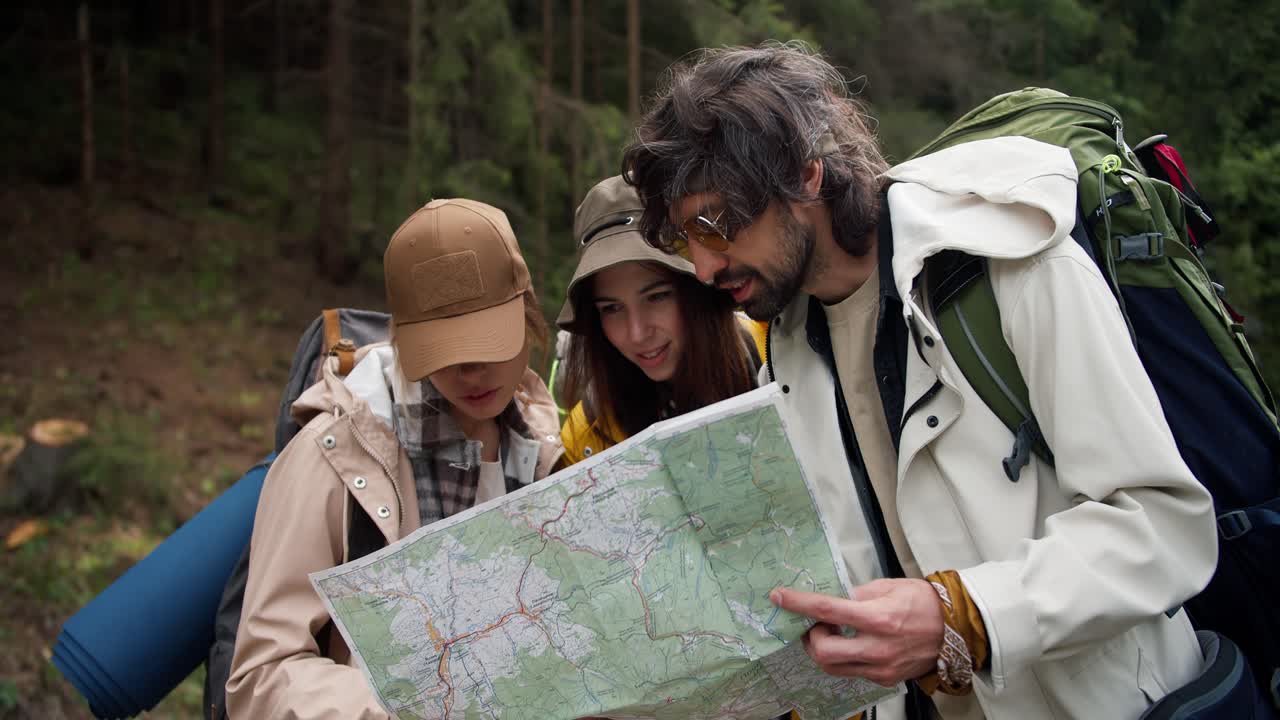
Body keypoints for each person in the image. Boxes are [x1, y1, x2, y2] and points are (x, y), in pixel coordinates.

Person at [621, 43, 1218, 720]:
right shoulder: (785, 350)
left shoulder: (1015, 264)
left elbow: (1167, 527)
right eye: (683, 238)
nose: (702, 267)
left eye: (717, 224)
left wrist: (965, 617)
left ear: (806, 175)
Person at [225, 198, 564, 719]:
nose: (470, 370)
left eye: (486, 339)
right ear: (405, 339)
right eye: (444, 347)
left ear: (527, 313)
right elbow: (262, 677)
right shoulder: (336, 456)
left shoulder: (544, 450)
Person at [556, 174, 767, 464]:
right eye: (611, 309)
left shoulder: (783, 359)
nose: (638, 333)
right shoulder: (585, 440)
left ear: (696, 290)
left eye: (656, 297)